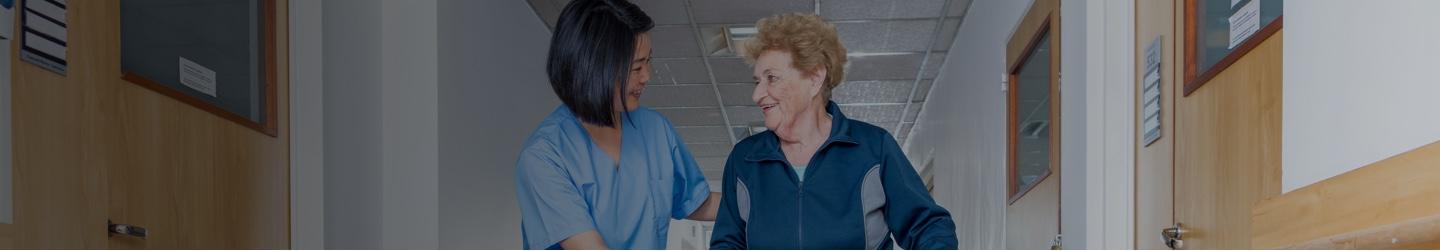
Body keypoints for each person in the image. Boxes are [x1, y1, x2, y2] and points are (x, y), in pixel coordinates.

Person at [709, 13, 958, 250]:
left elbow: (929, 227)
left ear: (815, 78)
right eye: (757, 81)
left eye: (771, 78)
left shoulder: (873, 148)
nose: (757, 94)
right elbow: (727, 243)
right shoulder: (744, 160)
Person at [514, 0, 717, 249]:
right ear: (594, 69)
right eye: (636, 67)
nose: (647, 76)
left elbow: (697, 202)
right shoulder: (544, 157)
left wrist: (765, 199)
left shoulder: (656, 130)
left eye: (648, 61)